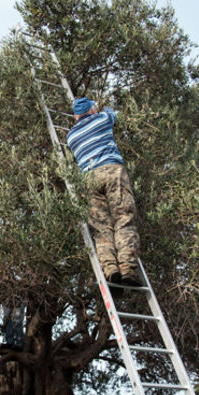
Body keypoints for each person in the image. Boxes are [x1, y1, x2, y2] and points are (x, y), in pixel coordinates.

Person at [66, 97, 142, 291]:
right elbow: (114, 113)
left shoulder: (71, 137)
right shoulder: (102, 119)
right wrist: (104, 108)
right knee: (124, 218)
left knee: (101, 228)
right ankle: (127, 270)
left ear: (75, 116)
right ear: (92, 110)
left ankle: (110, 271)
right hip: (112, 171)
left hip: (88, 179)